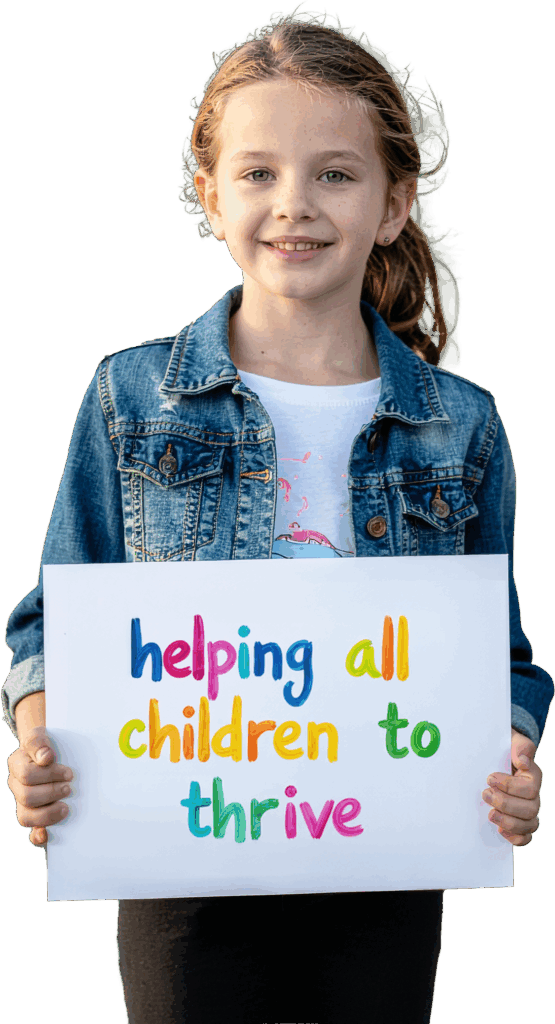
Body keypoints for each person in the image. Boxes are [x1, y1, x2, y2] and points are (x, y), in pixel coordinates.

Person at [2, 20, 552, 1024]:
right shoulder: (133, 398)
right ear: (210, 196)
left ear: (393, 206)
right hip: (181, 866)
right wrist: (35, 748)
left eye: (335, 175)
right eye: (259, 172)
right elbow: (50, 625)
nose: (294, 203)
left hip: (386, 864)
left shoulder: (460, 426)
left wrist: (512, 757)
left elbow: (501, 660)